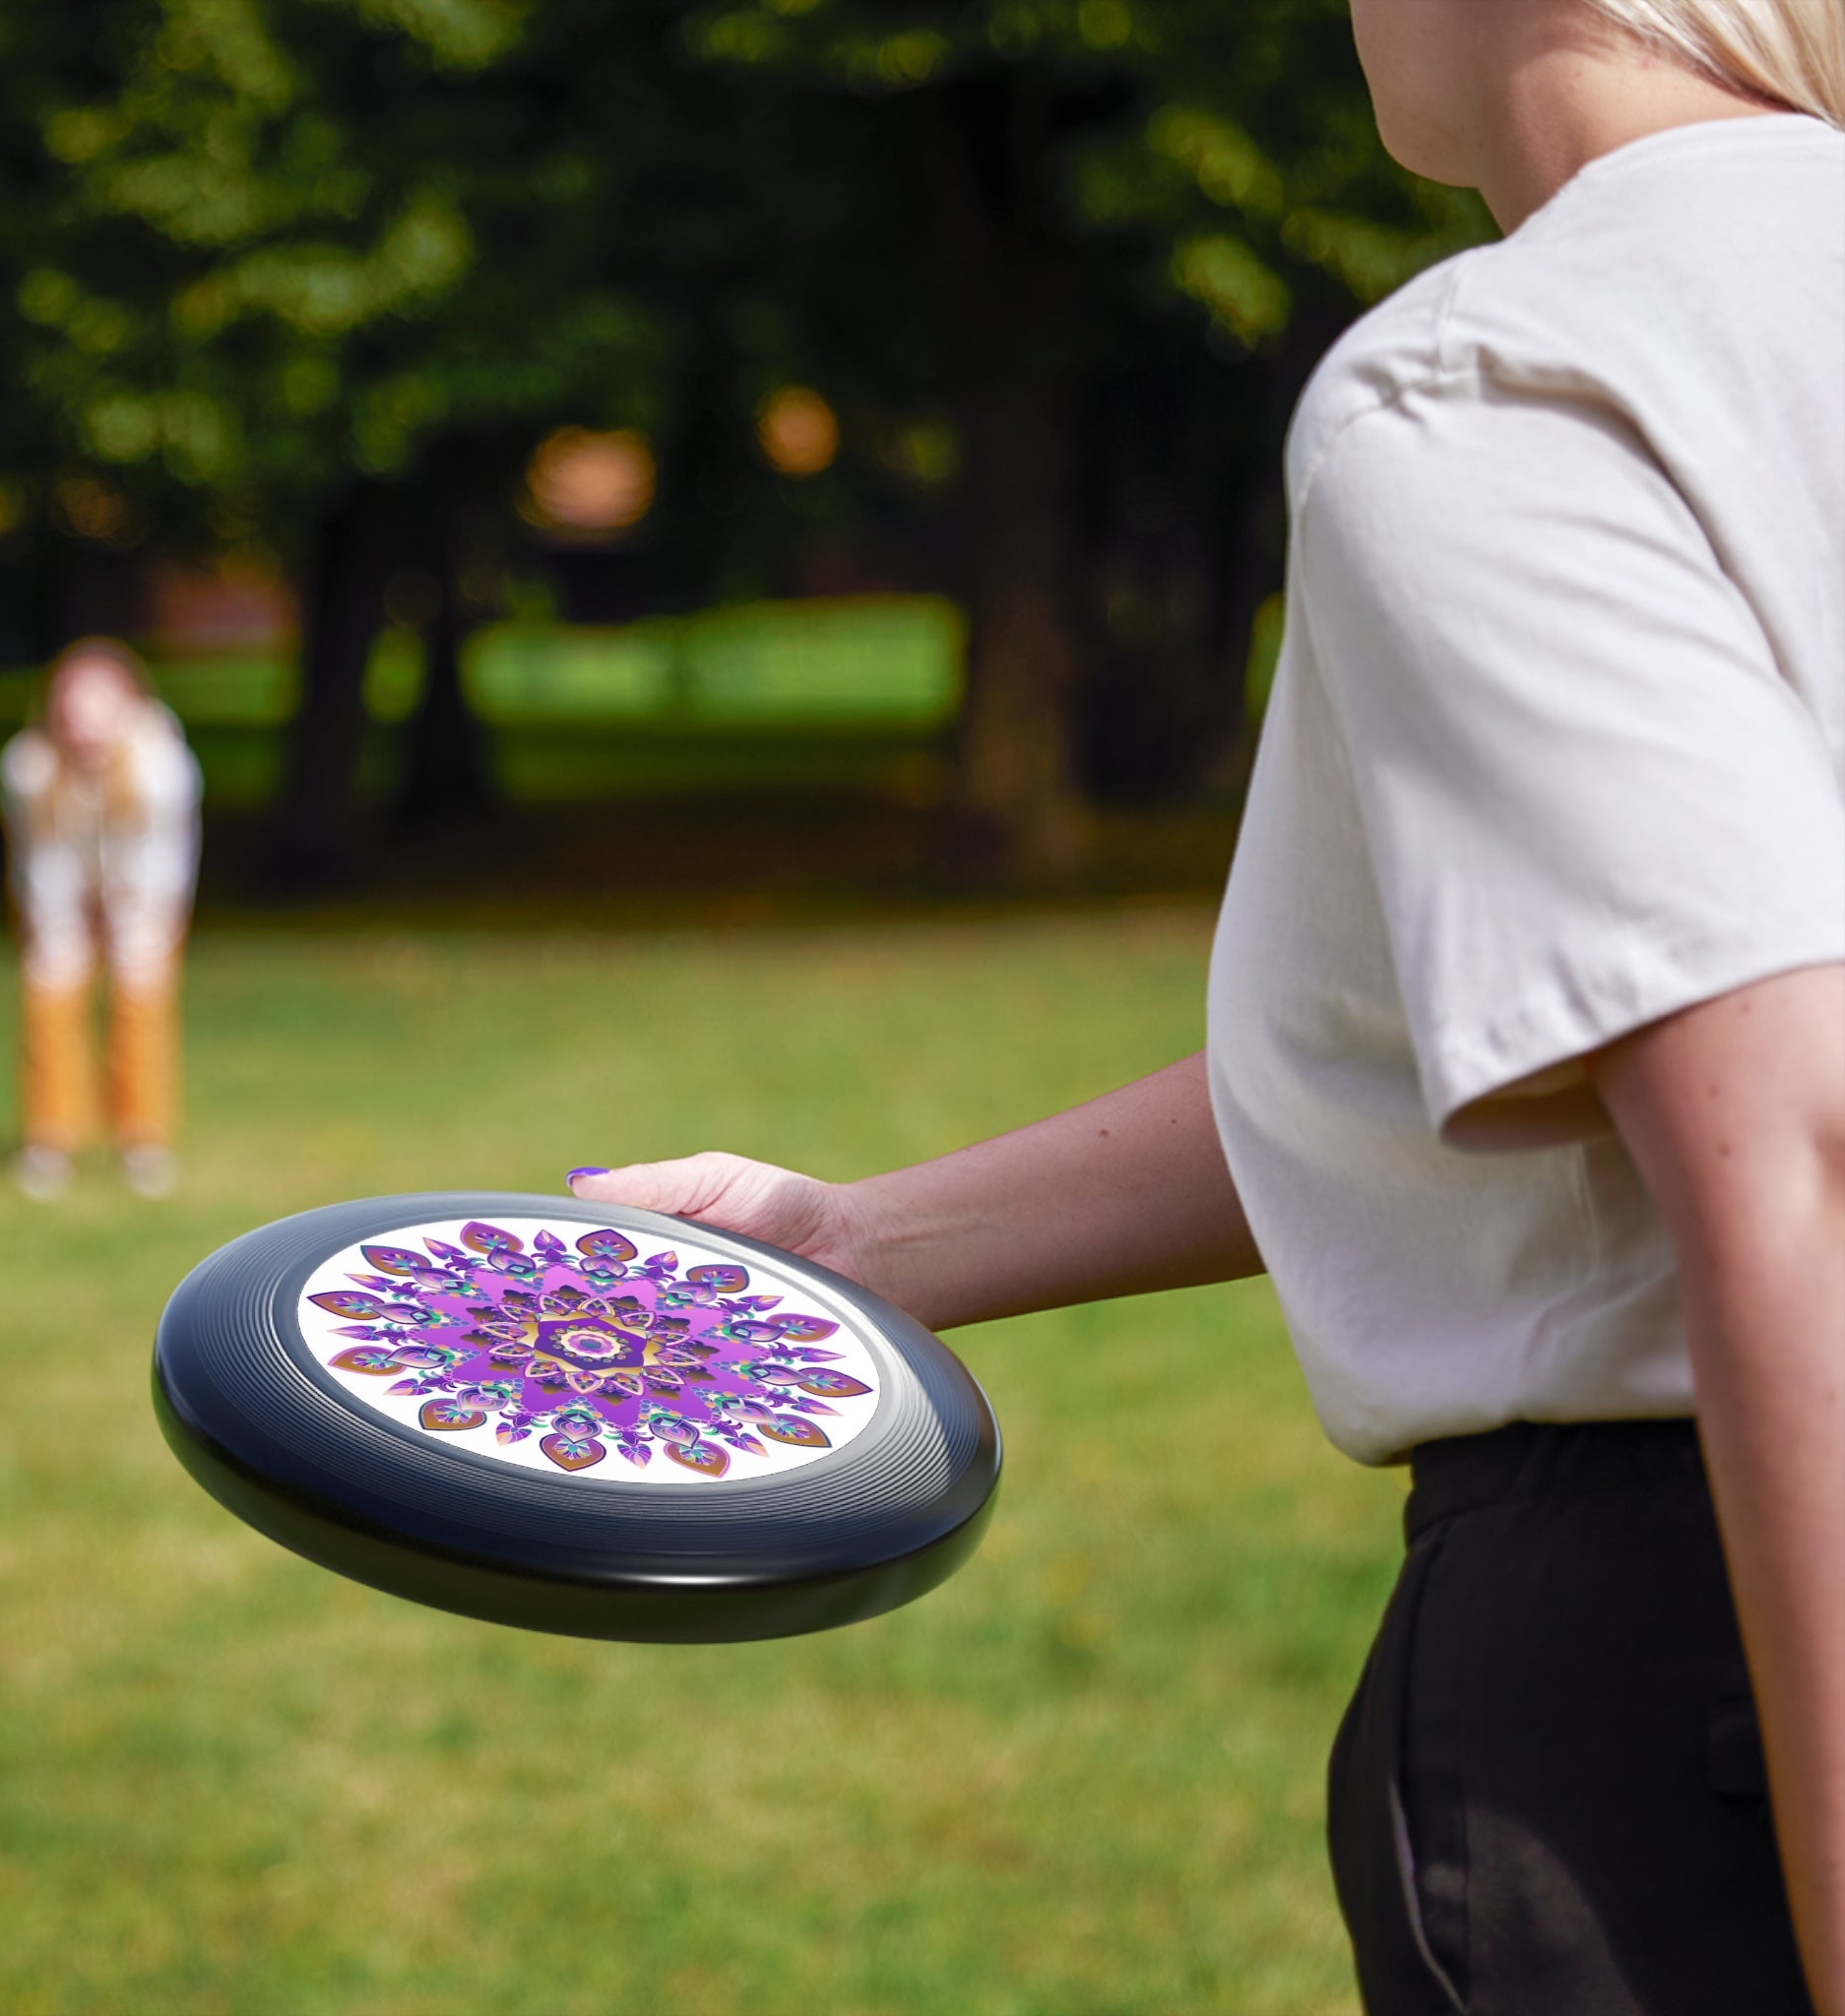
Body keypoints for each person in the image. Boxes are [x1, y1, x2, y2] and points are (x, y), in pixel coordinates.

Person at [565, 2, 1845, 2009]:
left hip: (1701, 1660)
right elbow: (1534, 1031)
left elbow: (1795, 1147)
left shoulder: (1507, 377)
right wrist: (859, 1243)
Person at [0, 638, 203, 1200]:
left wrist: (129, 919)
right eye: (72, 704)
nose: (83, 720)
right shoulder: (28, 767)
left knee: (141, 1000)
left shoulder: (162, 765)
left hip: (144, 895)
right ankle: (50, 1139)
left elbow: (160, 859)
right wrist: (63, 926)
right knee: (50, 994)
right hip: (59, 893)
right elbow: (42, 859)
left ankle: (142, 1140)